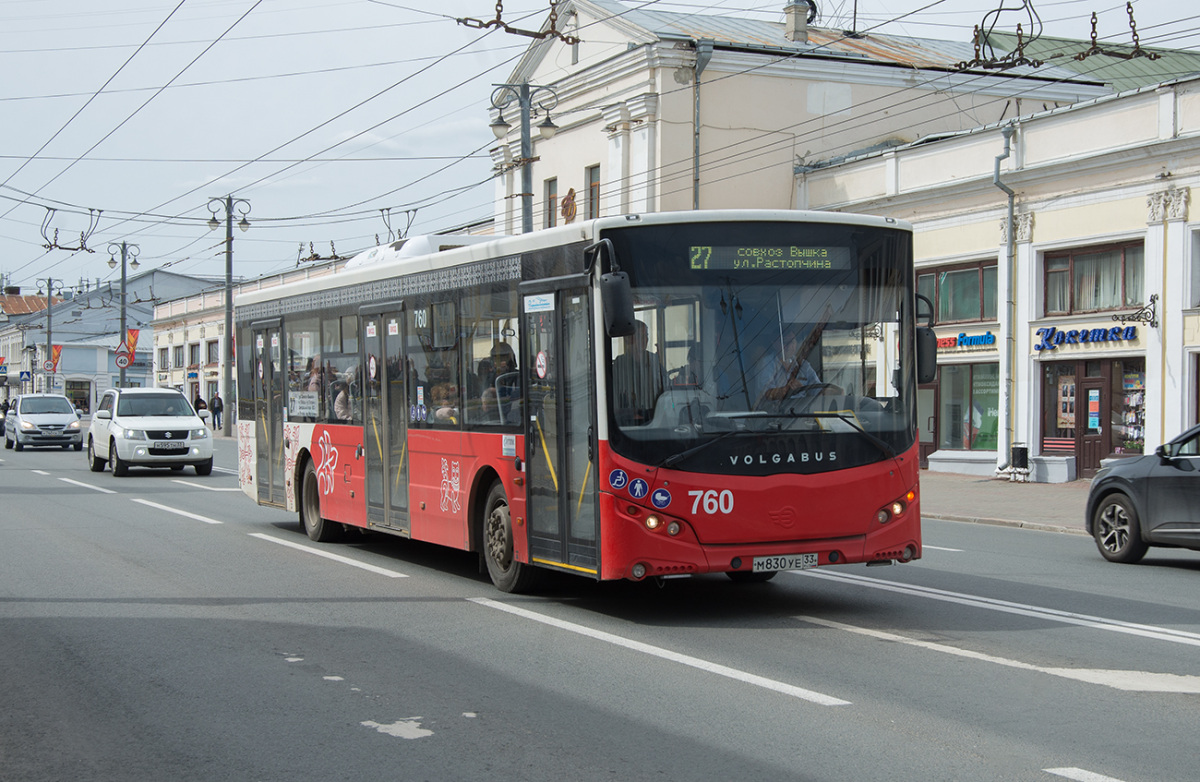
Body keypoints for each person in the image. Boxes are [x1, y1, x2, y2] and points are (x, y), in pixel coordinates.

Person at [757, 328, 838, 407]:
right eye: (785, 342)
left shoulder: (803, 365)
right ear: (774, 344)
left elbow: (816, 389)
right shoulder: (766, 363)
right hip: (774, 414)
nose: (789, 346)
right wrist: (786, 390)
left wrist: (833, 392)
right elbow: (765, 394)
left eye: (792, 342)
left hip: (800, 414)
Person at [612, 320, 664, 423]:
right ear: (629, 340)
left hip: (654, 418)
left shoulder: (654, 360)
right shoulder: (620, 364)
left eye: (646, 336)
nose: (645, 340)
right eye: (640, 336)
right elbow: (614, 396)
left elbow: (664, 387)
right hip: (628, 420)